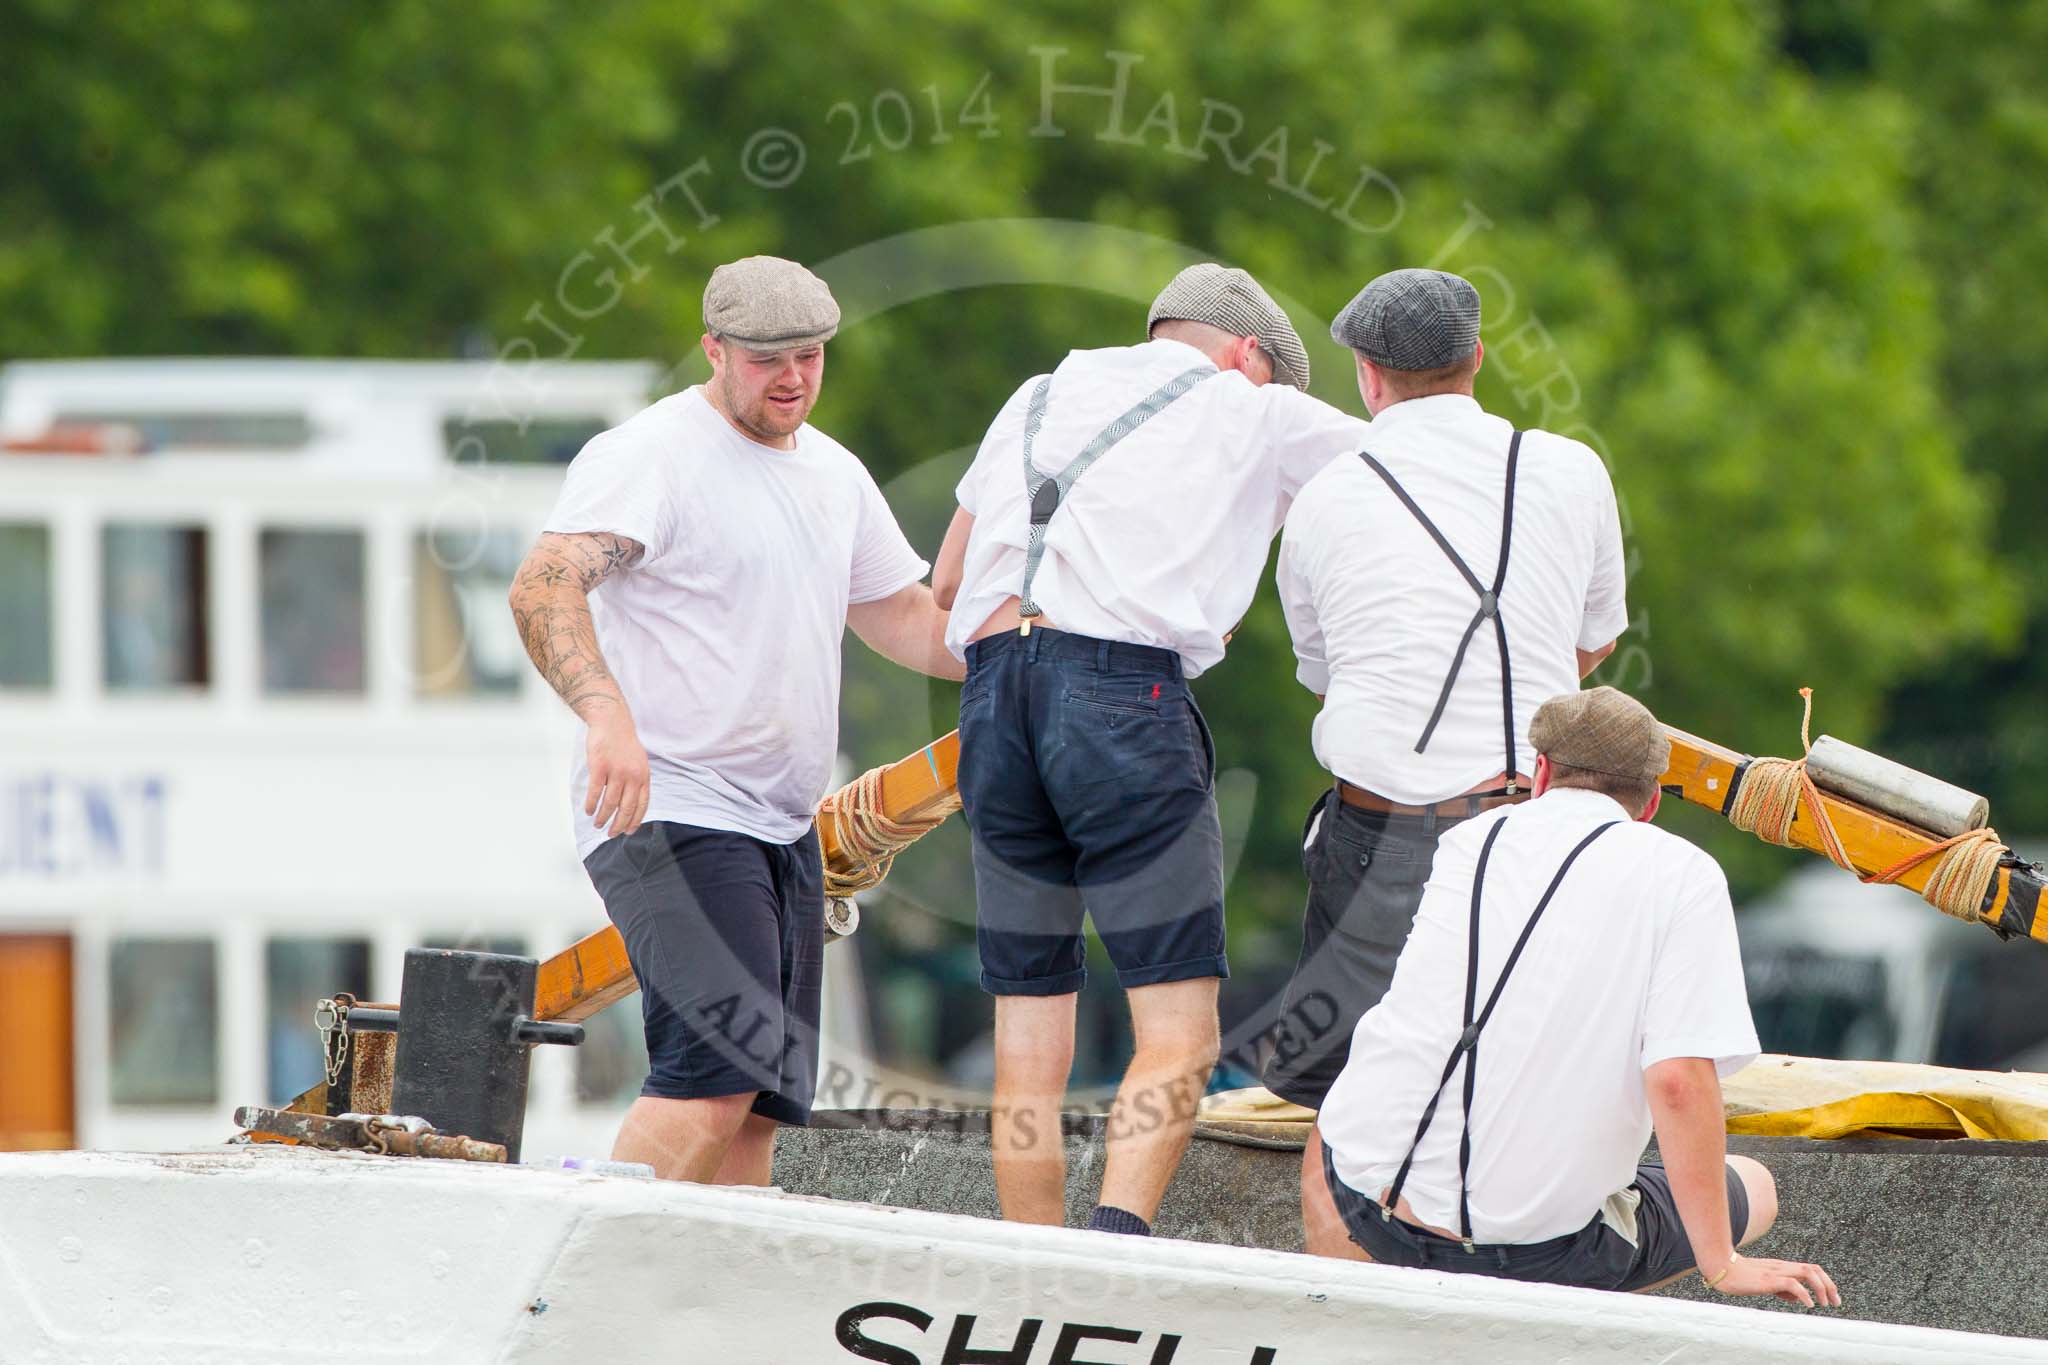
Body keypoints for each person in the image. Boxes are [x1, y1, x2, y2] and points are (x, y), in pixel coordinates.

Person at [931, 263, 1372, 1234]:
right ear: (1245, 354)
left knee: (1027, 1026)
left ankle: (1026, 1268)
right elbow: (1414, 472)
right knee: (1176, 1030)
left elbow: (949, 579)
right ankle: (1109, 1254)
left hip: (993, 693)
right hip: (1120, 697)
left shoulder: (1038, 393)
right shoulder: (1248, 406)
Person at [508, 255, 962, 1185]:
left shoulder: (834, 475)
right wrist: (606, 716)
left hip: (782, 827)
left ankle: (714, 1316)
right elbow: (543, 582)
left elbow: (911, 621)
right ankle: (588, 1285)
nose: (793, 377)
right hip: (670, 806)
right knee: (714, 1073)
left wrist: (1054, 646)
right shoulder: (654, 454)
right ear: (714, 349)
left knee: (759, 1111)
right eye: (766, 359)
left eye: (810, 354)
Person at [1264, 267, 1631, 1213]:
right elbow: (1591, 645)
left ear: (1365, 375)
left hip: (1385, 836)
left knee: (1347, 1108)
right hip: (1538, 827)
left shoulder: (1323, 497)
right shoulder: (1570, 469)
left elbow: (1327, 673)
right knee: (1531, 1088)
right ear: (1474, 359)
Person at [1305, 687, 1841, 1308]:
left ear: (1541, 774)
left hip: (1369, 1206)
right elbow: (1677, 1081)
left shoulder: (1468, 841)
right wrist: (1721, 1263)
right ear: (1648, 805)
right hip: (1542, 1251)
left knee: (1344, 1115)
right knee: (1755, 1185)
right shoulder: (1683, 873)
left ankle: (1344, 1316)